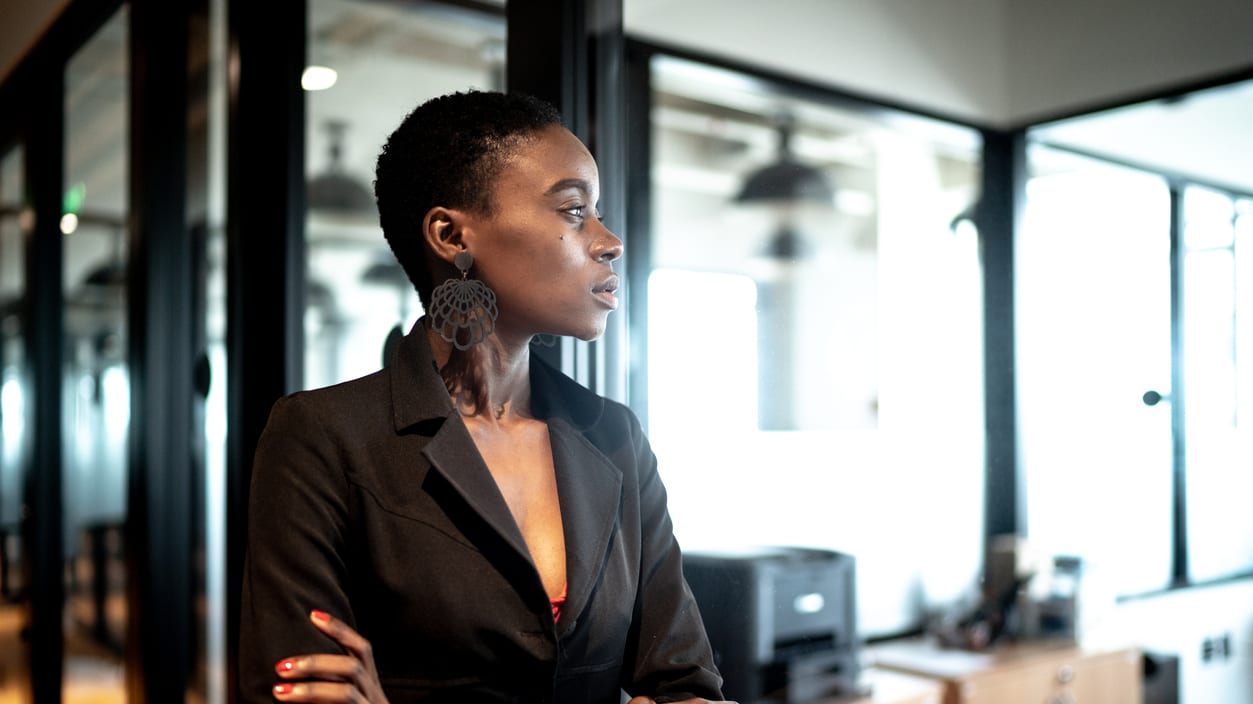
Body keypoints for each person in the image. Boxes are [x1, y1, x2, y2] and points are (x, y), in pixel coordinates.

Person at [238, 90, 732, 704]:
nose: (609, 241)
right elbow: (293, 691)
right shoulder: (323, 436)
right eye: (575, 210)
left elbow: (686, 685)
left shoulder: (615, 436)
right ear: (451, 235)